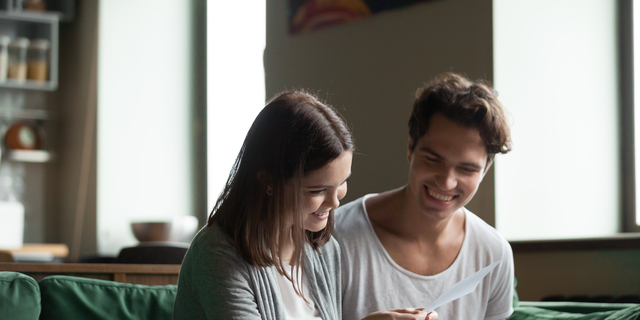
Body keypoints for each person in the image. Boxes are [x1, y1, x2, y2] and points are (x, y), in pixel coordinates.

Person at [173, 91, 438, 320]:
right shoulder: (217, 254)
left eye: (342, 183)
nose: (335, 202)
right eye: (318, 190)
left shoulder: (323, 250)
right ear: (269, 182)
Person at [334, 73, 515, 320]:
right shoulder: (336, 236)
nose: (447, 181)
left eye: (467, 169)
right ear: (411, 148)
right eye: (433, 160)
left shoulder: (494, 254)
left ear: (485, 170)